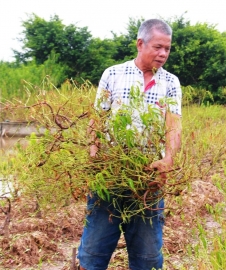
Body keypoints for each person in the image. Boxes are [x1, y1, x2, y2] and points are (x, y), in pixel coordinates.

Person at [77, 18, 182, 270]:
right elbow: (97, 119)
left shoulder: (170, 82)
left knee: (147, 258)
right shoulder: (112, 74)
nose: (163, 53)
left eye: (167, 48)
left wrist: (168, 159)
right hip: (109, 177)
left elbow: (174, 125)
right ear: (140, 43)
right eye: (158, 47)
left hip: (147, 178)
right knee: (92, 254)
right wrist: (94, 155)